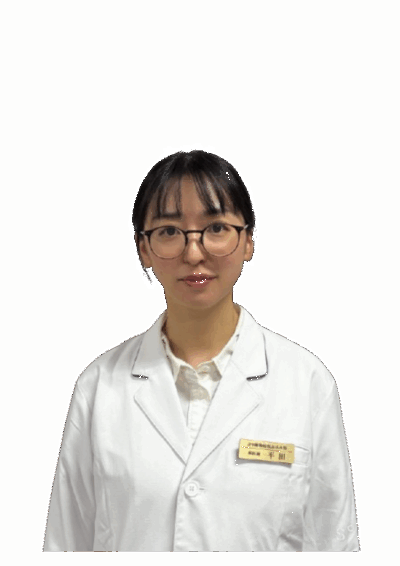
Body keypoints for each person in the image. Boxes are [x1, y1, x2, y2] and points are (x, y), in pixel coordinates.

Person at [42, 145, 360, 552]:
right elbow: (66, 543)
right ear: (143, 248)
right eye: (169, 231)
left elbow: (335, 542)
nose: (194, 252)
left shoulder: (307, 382)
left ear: (249, 241)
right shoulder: (99, 386)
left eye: (216, 228)